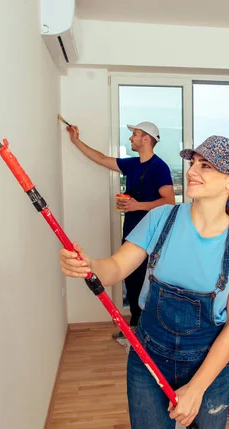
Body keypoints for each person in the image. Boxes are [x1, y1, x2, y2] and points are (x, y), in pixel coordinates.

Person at [59, 135, 229, 429]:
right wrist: (89, 265)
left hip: (209, 368)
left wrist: (196, 389)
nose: (192, 171)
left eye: (205, 166)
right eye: (193, 163)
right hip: (148, 358)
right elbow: (116, 267)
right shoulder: (161, 219)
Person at [66, 121, 175, 338]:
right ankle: (136, 326)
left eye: (134, 134)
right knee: (132, 278)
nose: (130, 138)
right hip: (133, 229)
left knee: (148, 279)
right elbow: (101, 158)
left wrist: (137, 205)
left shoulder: (159, 167)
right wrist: (75, 140)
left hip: (152, 233)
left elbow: (169, 201)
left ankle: (149, 330)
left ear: (146, 139)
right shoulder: (133, 164)